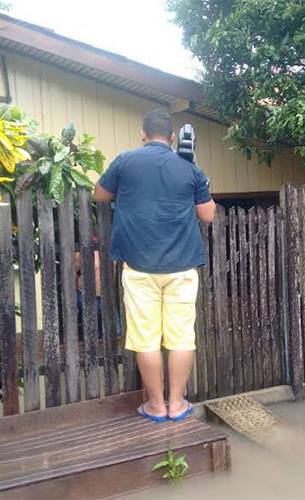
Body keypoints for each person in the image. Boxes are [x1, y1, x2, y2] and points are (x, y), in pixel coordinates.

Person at [94, 109, 215, 422]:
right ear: (173, 138)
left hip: (139, 267)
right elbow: (208, 215)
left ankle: (156, 406)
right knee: (180, 338)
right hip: (182, 267)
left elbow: (100, 195)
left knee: (145, 339)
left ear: (143, 135)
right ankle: (177, 405)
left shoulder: (124, 161)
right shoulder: (190, 168)